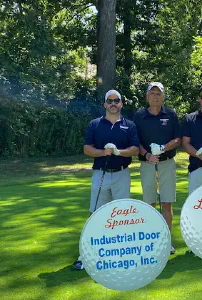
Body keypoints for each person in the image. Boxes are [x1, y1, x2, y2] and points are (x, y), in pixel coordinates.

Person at [72, 89, 140, 270]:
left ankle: (120, 252)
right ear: (104, 104)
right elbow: (87, 148)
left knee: (122, 215)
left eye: (116, 101)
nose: (113, 104)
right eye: (109, 101)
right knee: (94, 213)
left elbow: (135, 149)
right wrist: (104, 152)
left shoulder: (129, 125)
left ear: (121, 104)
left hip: (122, 173)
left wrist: (119, 152)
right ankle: (85, 254)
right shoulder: (95, 124)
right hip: (100, 173)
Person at [134, 82, 181, 255]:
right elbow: (134, 140)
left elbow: (178, 139)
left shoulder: (170, 114)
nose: (155, 96)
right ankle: (152, 241)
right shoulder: (139, 116)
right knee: (150, 203)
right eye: (152, 93)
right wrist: (147, 155)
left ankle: (166, 241)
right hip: (147, 164)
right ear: (147, 96)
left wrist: (162, 148)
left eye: (158, 93)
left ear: (163, 96)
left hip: (167, 163)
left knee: (166, 203)